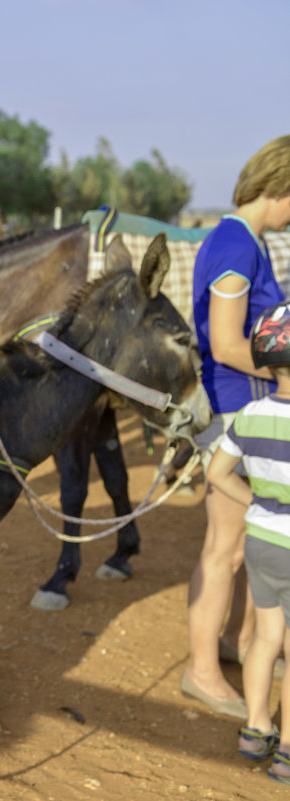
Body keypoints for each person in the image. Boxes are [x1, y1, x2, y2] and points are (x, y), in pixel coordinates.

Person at [184, 134, 290, 718]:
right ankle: (201, 671)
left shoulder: (240, 240)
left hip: (243, 402)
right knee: (225, 549)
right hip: (235, 404)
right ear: (280, 188)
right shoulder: (236, 245)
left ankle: (236, 645)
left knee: (245, 541)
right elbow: (226, 344)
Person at [205, 300, 290, 780]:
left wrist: (257, 501)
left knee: (264, 639)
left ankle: (256, 729)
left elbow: (218, 472)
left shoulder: (251, 413)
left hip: (262, 540)